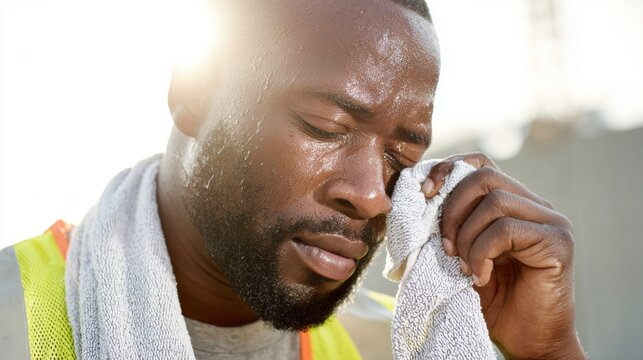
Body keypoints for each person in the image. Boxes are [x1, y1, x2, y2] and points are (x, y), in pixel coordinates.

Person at [0, 0, 586, 359]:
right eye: (323, 124)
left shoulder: (398, 348)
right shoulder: (15, 323)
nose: (371, 193)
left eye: (403, 152)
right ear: (195, 94)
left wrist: (547, 354)